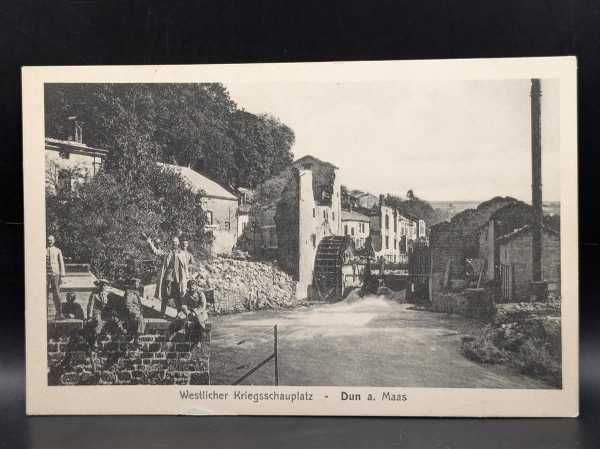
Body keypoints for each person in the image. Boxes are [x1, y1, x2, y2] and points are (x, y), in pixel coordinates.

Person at [146, 235, 188, 315]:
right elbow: (156, 252)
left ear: (178, 243)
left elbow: (185, 266)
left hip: (178, 279)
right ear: (171, 243)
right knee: (165, 296)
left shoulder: (182, 253)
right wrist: (150, 243)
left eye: (175, 242)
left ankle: (179, 315)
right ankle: (162, 314)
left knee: (178, 297)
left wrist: (187, 277)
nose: (174, 243)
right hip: (168, 278)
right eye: (173, 242)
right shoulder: (168, 252)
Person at [46, 235, 66, 320]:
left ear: (54, 241)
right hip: (45, 275)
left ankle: (59, 313)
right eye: (48, 240)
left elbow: (61, 263)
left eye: (51, 240)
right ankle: (44, 313)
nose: (49, 241)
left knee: (56, 294)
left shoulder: (58, 250)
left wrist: (62, 275)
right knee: (44, 294)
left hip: (55, 274)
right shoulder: (43, 250)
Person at [123, 278, 145, 342]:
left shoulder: (136, 293)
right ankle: (135, 339)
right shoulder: (129, 293)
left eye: (138, 283)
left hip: (138, 312)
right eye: (136, 283)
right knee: (139, 321)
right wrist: (134, 312)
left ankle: (135, 338)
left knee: (141, 321)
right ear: (132, 285)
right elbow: (128, 305)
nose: (137, 285)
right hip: (132, 313)